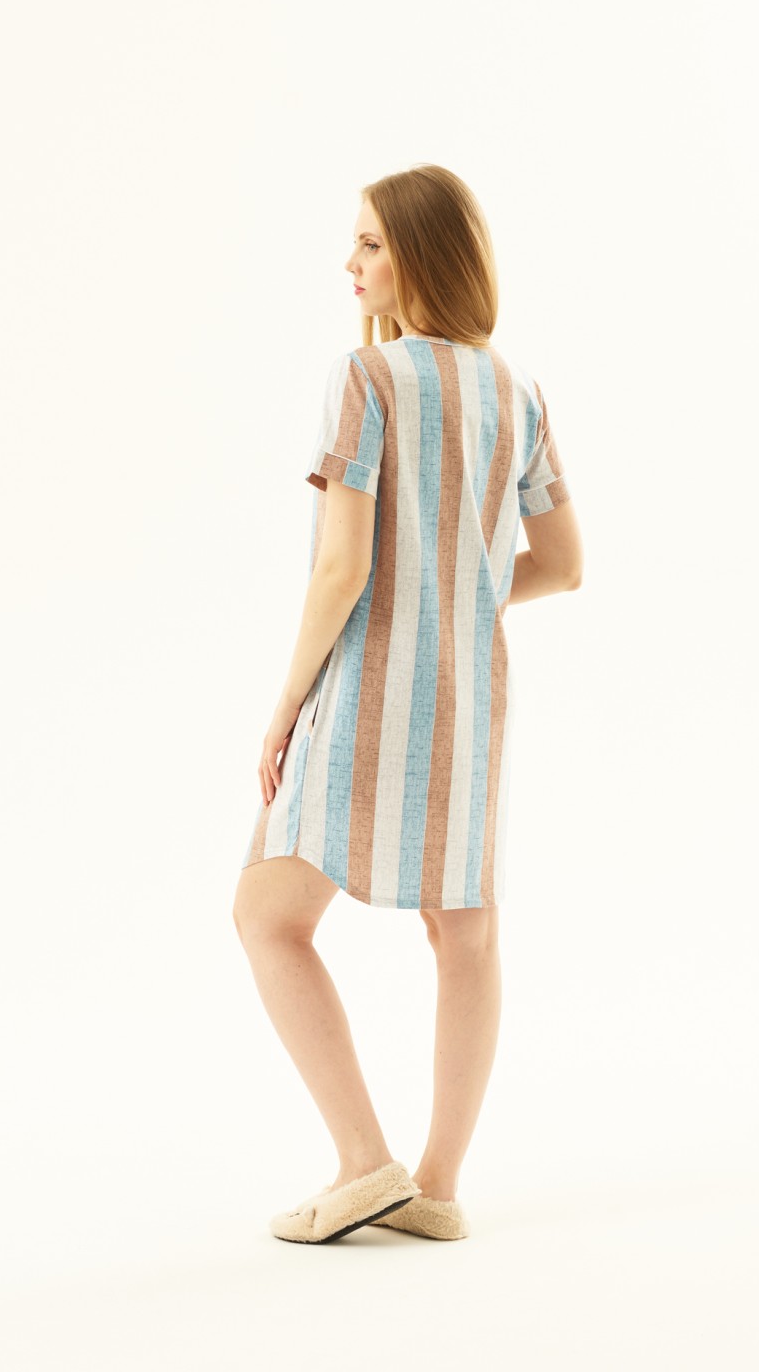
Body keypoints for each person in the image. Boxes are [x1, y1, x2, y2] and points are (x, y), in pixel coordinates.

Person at [232, 163, 583, 1244]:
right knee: (464, 931)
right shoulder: (516, 391)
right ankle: (436, 1186)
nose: (351, 261)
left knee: (266, 915)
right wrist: (457, 591)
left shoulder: (367, 379)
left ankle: (362, 1163)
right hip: (471, 702)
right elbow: (563, 564)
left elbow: (340, 570)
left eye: (372, 242)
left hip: (366, 692)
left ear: (422, 254)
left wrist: (285, 704)